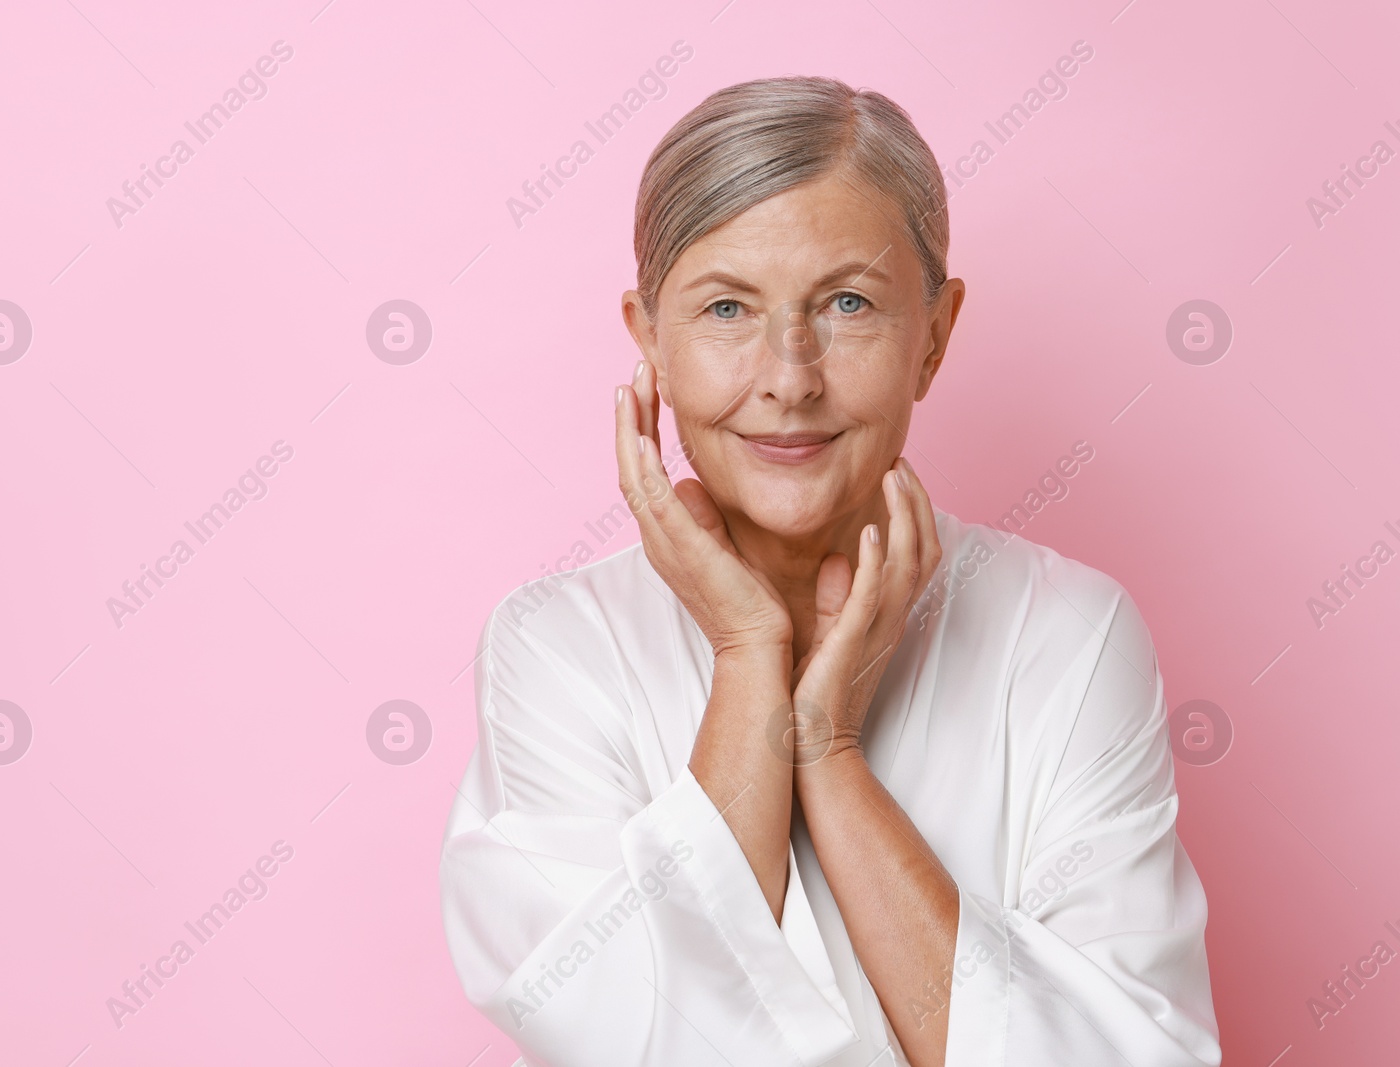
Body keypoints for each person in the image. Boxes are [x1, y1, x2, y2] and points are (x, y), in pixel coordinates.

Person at [440, 75, 1221, 1067]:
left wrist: (826, 748)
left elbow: (1125, 1056)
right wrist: (747, 648)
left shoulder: (1066, 630)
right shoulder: (556, 645)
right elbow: (628, 1038)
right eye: (726, 308)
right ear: (651, 343)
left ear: (932, 338)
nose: (788, 374)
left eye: (847, 303)